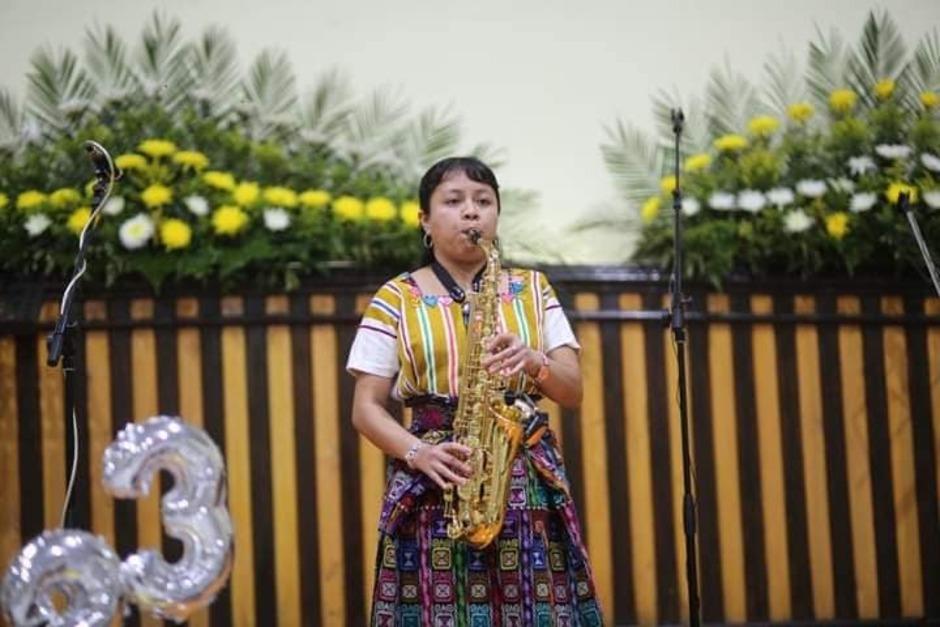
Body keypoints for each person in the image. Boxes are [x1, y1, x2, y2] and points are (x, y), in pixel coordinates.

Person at [347, 156, 603, 626]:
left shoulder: (533, 289)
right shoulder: (395, 297)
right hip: (435, 475)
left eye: (484, 201)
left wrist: (535, 361)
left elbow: (573, 391)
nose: (471, 211)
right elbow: (366, 408)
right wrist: (418, 453)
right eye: (454, 201)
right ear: (424, 220)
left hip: (523, 474)